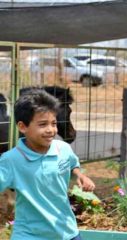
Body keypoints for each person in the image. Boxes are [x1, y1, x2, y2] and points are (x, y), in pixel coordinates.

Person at [0, 89, 95, 240]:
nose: (51, 130)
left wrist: (80, 175)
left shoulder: (63, 149)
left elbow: (72, 163)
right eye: (43, 124)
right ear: (22, 126)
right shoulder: (10, 160)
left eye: (54, 123)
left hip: (67, 232)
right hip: (29, 235)